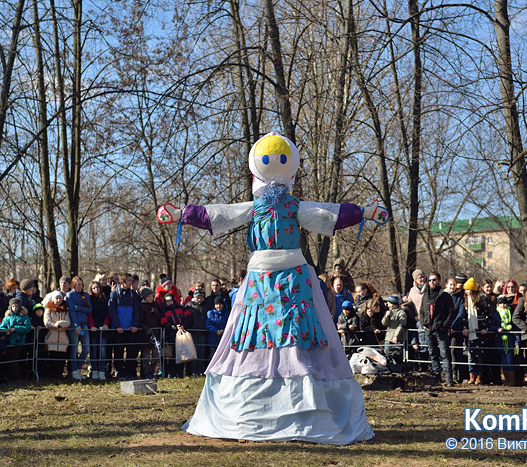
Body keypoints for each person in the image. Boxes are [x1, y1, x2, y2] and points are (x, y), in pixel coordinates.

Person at [162, 132, 374, 444]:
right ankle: (276, 407)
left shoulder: (294, 206)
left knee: (295, 333)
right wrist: (182, 215)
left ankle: (299, 406)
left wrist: (362, 213)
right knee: (256, 332)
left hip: (290, 280)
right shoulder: (257, 207)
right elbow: (220, 213)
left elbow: (327, 213)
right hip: (264, 280)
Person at [420, 272, 456, 387]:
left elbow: (451, 312)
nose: (432, 282)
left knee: (445, 354)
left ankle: (449, 379)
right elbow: (421, 310)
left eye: (434, 280)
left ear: (439, 281)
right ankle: (436, 378)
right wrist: (423, 323)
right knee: (432, 354)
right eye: (430, 280)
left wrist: (444, 325)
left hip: (441, 330)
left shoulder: (445, 296)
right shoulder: (425, 295)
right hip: (428, 329)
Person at [108, 273, 141, 380]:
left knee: (132, 351)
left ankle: (130, 371)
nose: (131, 283)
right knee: (118, 351)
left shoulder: (134, 295)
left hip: (131, 329)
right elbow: (112, 311)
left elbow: (137, 311)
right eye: (129, 281)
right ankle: (119, 371)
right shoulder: (114, 294)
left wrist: (135, 325)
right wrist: (117, 326)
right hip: (119, 330)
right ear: (123, 282)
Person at [460, 278, 491, 385]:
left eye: (468, 289)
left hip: (480, 330)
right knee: (471, 355)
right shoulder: (464, 301)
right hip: (470, 331)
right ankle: (471, 374)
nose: (466, 292)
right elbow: (463, 316)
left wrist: (486, 328)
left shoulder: (482, 300)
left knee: (480, 355)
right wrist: (464, 327)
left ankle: (479, 376)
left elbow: (488, 316)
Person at [0, 297, 32, 380]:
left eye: (17, 306)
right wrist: (6, 331)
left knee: (12, 359)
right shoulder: (7, 318)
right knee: (8, 359)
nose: (15, 308)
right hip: (8, 341)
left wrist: (15, 329)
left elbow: (27, 328)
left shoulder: (24, 317)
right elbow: (2, 327)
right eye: (13, 306)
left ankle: (16, 376)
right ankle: (10, 376)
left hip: (18, 342)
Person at [160, 293, 192, 378]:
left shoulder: (181, 308)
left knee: (182, 354)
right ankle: (172, 373)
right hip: (171, 335)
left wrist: (183, 326)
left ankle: (180, 373)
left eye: (170, 301)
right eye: (167, 301)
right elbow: (163, 323)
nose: (169, 303)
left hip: (182, 335)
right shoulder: (163, 311)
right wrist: (173, 327)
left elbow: (189, 317)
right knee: (172, 355)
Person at [66, 277, 92, 380]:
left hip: (84, 324)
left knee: (86, 348)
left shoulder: (85, 295)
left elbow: (89, 309)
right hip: (74, 325)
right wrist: (77, 325)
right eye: (78, 284)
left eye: (81, 284)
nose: (80, 286)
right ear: (74, 285)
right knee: (74, 348)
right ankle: (74, 371)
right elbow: (72, 312)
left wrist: (78, 308)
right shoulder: (70, 295)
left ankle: (77, 368)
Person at [491, 295, 520, 386]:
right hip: (500, 341)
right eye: (500, 303)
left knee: (509, 360)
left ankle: (512, 380)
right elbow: (492, 326)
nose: (502, 305)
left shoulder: (511, 313)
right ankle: (506, 379)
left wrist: (517, 342)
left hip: (510, 341)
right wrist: (497, 329)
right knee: (503, 361)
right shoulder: (496, 314)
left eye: (504, 303)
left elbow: (516, 329)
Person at [43, 291, 71, 379]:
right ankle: (51, 373)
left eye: (60, 298)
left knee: (61, 357)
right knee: (52, 356)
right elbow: (47, 322)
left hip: (63, 338)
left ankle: (60, 373)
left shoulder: (65, 310)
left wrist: (60, 324)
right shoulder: (49, 309)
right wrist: (54, 325)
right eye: (56, 298)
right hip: (52, 337)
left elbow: (68, 322)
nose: (58, 300)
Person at [87, 281, 110, 381]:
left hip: (103, 329)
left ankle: (102, 371)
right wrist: (92, 326)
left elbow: (108, 313)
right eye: (94, 288)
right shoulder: (89, 300)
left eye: (97, 288)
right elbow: (89, 314)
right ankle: (94, 370)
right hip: (93, 329)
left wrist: (105, 324)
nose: (96, 290)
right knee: (94, 350)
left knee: (103, 350)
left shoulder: (105, 299)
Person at [449, 273, 468, 384]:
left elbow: (461, 313)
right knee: (450, 351)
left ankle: (461, 374)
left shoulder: (461, 297)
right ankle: (452, 373)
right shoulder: (448, 296)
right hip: (447, 328)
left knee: (458, 352)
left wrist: (454, 327)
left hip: (459, 328)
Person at [139, 288, 161, 379]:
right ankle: (146, 372)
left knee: (156, 354)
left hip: (156, 332)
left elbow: (160, 317)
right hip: (145, 334)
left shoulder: (156, 305)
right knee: (146, 355)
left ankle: (152, 370)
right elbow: (140, 320)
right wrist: (146, 329)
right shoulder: (141, 306)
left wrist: (156, 313)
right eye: (149, 297)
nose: (151, 298)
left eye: (152, 296)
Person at [185, 288, 208, 374]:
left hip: (202, 332)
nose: (199, 299)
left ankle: (201, 370)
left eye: (201, 297)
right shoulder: (189, 305)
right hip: (193, 332)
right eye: (198, 297)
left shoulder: (206, 305)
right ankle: (193, 371)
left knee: (201, 352)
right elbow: (187, 318)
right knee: (193, 352)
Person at [382, 295, 406, 362]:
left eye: (390, 303)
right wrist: (386, 317)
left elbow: (401, 325)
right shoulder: (388, 312)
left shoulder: (401, 313)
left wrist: (396, 336)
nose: (388, 305)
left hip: (398, 338)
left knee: (397, 356)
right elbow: (384, 324)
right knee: (387, 356)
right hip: (388, 338)